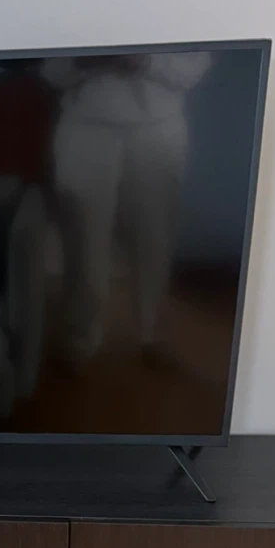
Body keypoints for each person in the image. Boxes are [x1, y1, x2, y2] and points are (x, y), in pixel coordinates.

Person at [44, 51, 211, 364]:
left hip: (158, 126)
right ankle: (81, 334)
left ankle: (153, 333)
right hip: (84, 125)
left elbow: (191, 71)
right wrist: (86, 60)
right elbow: (51, 72)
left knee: (155, 237)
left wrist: (142, 61)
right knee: (82, 238)